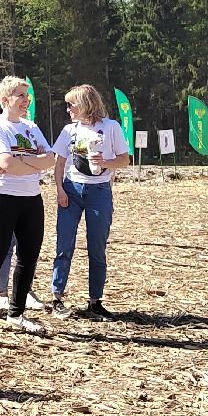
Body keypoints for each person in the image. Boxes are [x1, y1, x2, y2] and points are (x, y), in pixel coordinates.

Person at [0, 77, 55, 335]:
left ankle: (16, 314)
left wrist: (21, 159)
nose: (26, 100)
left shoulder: (31, 126)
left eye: (27, 96)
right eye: (20, 95)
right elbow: (6, 163)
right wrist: (31, 160)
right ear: (5, 99)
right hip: (1, 197)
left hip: (31, 198)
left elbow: (51, 159)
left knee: (28, 257)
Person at [48, 85, 130, 321]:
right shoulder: (68, 130)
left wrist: (105, 162)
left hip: (99, 191)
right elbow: (59, 163)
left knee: (97, 247)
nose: (68, 109)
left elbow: (124, 160)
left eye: (71, 104)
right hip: (72, 190)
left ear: (86, 104)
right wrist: (60, 190)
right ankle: (57, 298)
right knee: (64, 245)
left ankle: (95, 301)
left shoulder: (111, 127)